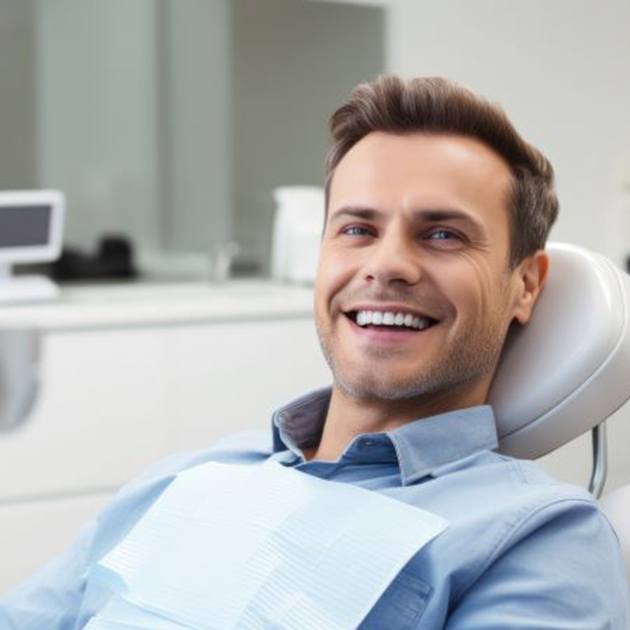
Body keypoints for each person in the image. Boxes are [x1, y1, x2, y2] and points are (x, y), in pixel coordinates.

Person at [1, 76, 627, 629]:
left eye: (442, 234)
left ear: (525, 285)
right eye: (357, 229)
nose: (386, 265)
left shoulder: (538, 539)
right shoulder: (187, 477)